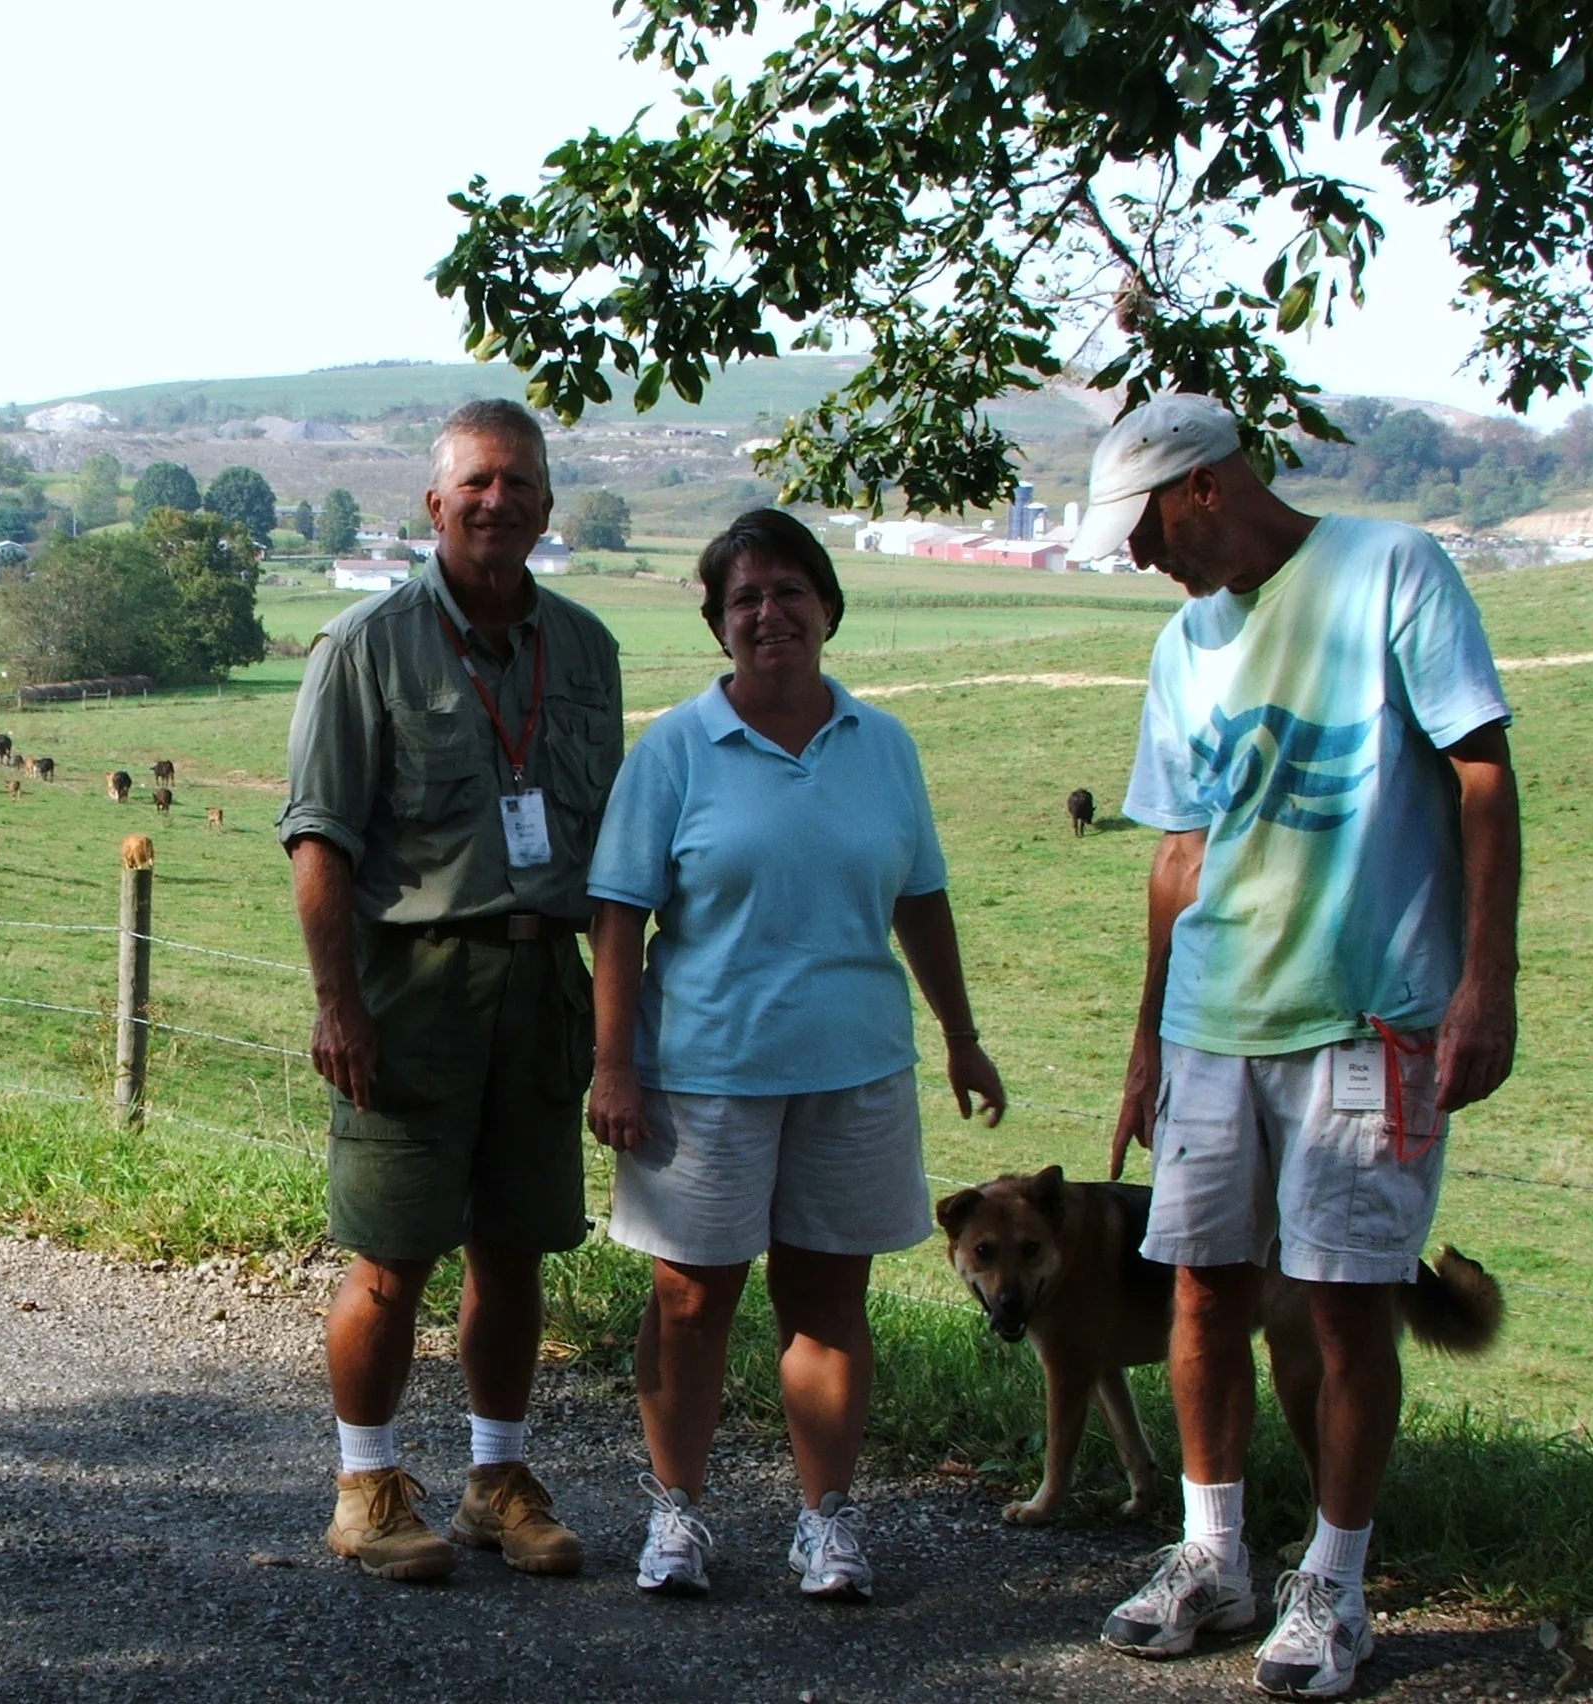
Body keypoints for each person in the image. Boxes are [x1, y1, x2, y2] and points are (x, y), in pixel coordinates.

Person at [1090, 393, 1520, 1698]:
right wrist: (1150, 1034)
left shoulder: (1394, 569)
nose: (1141, 555)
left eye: (1149, 525)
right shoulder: (1184, 642)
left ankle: (1334, 1584)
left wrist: (1485, 983)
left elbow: (1484, 774)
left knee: (1343, 1313)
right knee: (1203, 1290)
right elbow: (1177, 849)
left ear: (1208, 485)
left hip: (1365, 1012)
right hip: (1217, 1023)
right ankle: (1213, 1555)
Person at [585, 508, 1006, 1601]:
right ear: (719, 626)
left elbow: (921, 899)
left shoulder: (883, 746)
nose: (768, 613)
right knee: (689, 1301)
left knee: (828, 1305)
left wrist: (961, 1036)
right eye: (743, 600)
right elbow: (620, 916)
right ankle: (677, 1515)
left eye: (788, 592)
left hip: (852, 1069)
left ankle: (826, 1522)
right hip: (703, 1075)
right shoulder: (676, 748)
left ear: (829, 607)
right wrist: (613, 1065)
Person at [278, 398, 624, 1582]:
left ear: (543, 505)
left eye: (518, 483)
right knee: (390, 1254)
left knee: (514, 1249)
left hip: (542, 982)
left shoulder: (585, 651)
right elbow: (318, 838)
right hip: (410, 988)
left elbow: (611, 846)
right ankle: (367, 1486)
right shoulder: (365, 646)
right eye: (476, 482)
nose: (497, 502)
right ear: (435, 505)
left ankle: (494, 1480)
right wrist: (339, 1003)